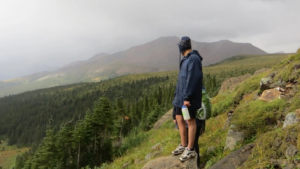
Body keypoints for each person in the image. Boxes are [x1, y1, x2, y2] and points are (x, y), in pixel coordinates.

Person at [171, 36, 203, 162]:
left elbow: (193, 79)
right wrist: (177, 97)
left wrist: (187, 97)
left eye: (181, 44)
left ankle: (190, 149)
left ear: (184, 46)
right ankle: (183, 145)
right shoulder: (185, 59)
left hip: (188, 98)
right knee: (179, 118)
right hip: (180, 97)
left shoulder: (193, 59)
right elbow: (182, 80)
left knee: (190, 121)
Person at [172, 86, 207, 168]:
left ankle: (196, 165)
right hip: (189, 119)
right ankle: (195, 164)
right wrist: (175, 115)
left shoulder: (192, 88)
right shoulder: (195, 87)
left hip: (192, 119)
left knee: (193, 143)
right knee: (192, 143)